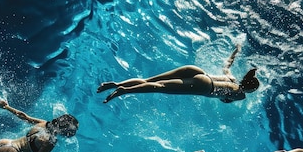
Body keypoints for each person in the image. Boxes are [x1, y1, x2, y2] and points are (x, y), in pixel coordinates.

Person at [97, 45, 259, 103]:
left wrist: (236, 51)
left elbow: (227, 64)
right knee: (159, 87)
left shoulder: (230, 77)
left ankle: (118, 84)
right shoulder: (241, 95)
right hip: (205, 86)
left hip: (199, 72)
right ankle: (125, 91)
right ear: (250, 90)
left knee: (150, 80)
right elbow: (226, 99)